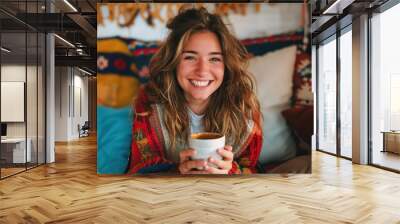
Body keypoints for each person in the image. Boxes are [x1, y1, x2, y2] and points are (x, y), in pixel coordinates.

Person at [127, 7, 262, 174]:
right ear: (174, 61)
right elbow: (139, 170)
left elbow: (251, 169)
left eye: (214, 59)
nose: (202, 70)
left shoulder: (244, 107)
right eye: (190, 57)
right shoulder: (147, 105)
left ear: (226, 65)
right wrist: (177, 172)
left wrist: (230, 172)